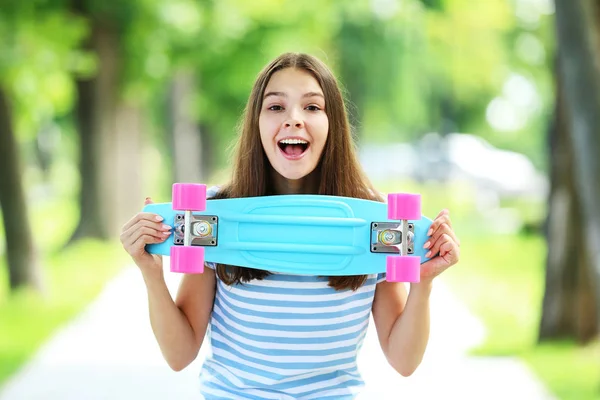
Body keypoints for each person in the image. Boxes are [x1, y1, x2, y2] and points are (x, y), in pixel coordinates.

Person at [120, 52, 460, 399]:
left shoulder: (376, 222)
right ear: (257, 123)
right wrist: (151, 273)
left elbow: (404, 361)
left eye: (312, 107)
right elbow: (179, 355)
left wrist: (424, 283)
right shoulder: (213, 216)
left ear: (334, 124)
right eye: (276, 107)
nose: (294, 119)